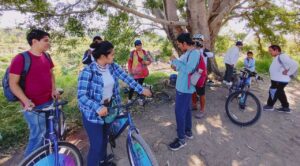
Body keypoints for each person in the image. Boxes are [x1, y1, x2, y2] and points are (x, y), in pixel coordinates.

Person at [77, 41, 151, 166]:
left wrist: (141, 89)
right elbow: (81, 96)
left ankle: (103, 162)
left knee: (104, 139)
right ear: (102, 56)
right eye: (111, 54)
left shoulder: (112, 66)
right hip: (92, 114)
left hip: (109, 109)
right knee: (97, 145)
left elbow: (126, 78)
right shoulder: (87, 71)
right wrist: (97, 106)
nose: (113, 56)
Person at [9, 29, 60, 157]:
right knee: (37, 136)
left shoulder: (46, 56)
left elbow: (51, 74)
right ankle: (30, 161)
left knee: (50, 133)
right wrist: (26, 101)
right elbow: (13, 84)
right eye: (46, 40)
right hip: (33, 107)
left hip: (49, 102)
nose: (48, 43)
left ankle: (44, 159)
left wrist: (53, 89)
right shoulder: (20, 59)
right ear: (34, 41)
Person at [169, 33, 200, 151]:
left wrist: (175, 61)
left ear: (185, 43)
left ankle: (181, 139)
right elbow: (182, 66)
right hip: (183, 86)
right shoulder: (189, 53)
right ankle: (188, 131)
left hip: (184, 88)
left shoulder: (194, 53)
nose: (179, 47)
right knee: (186, 110)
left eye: (179, 45)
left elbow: (188, 69)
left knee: (179, 112)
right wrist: (175, 64)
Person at [263, 45, 298, 113]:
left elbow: (295, 64)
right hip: (278, 80)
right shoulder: (279, 56)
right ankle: (285, 107)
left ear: (276, 50)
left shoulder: (282, 56)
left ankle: (270, 106)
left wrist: (289, 72)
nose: (270, 53)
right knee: (280, 92)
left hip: (280, 80)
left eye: (271, 51)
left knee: (273, 91)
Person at [191, 33, 214, 119]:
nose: (196, 42)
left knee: (201, 93)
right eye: (195, 40)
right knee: (192, 90)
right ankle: (194, 105)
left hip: (201, 75)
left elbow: (212, 55)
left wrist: (203, 50)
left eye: (198, 40)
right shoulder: (192, 50)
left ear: (202, 41)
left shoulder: (204, 50)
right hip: (193, 73)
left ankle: (202, 110)